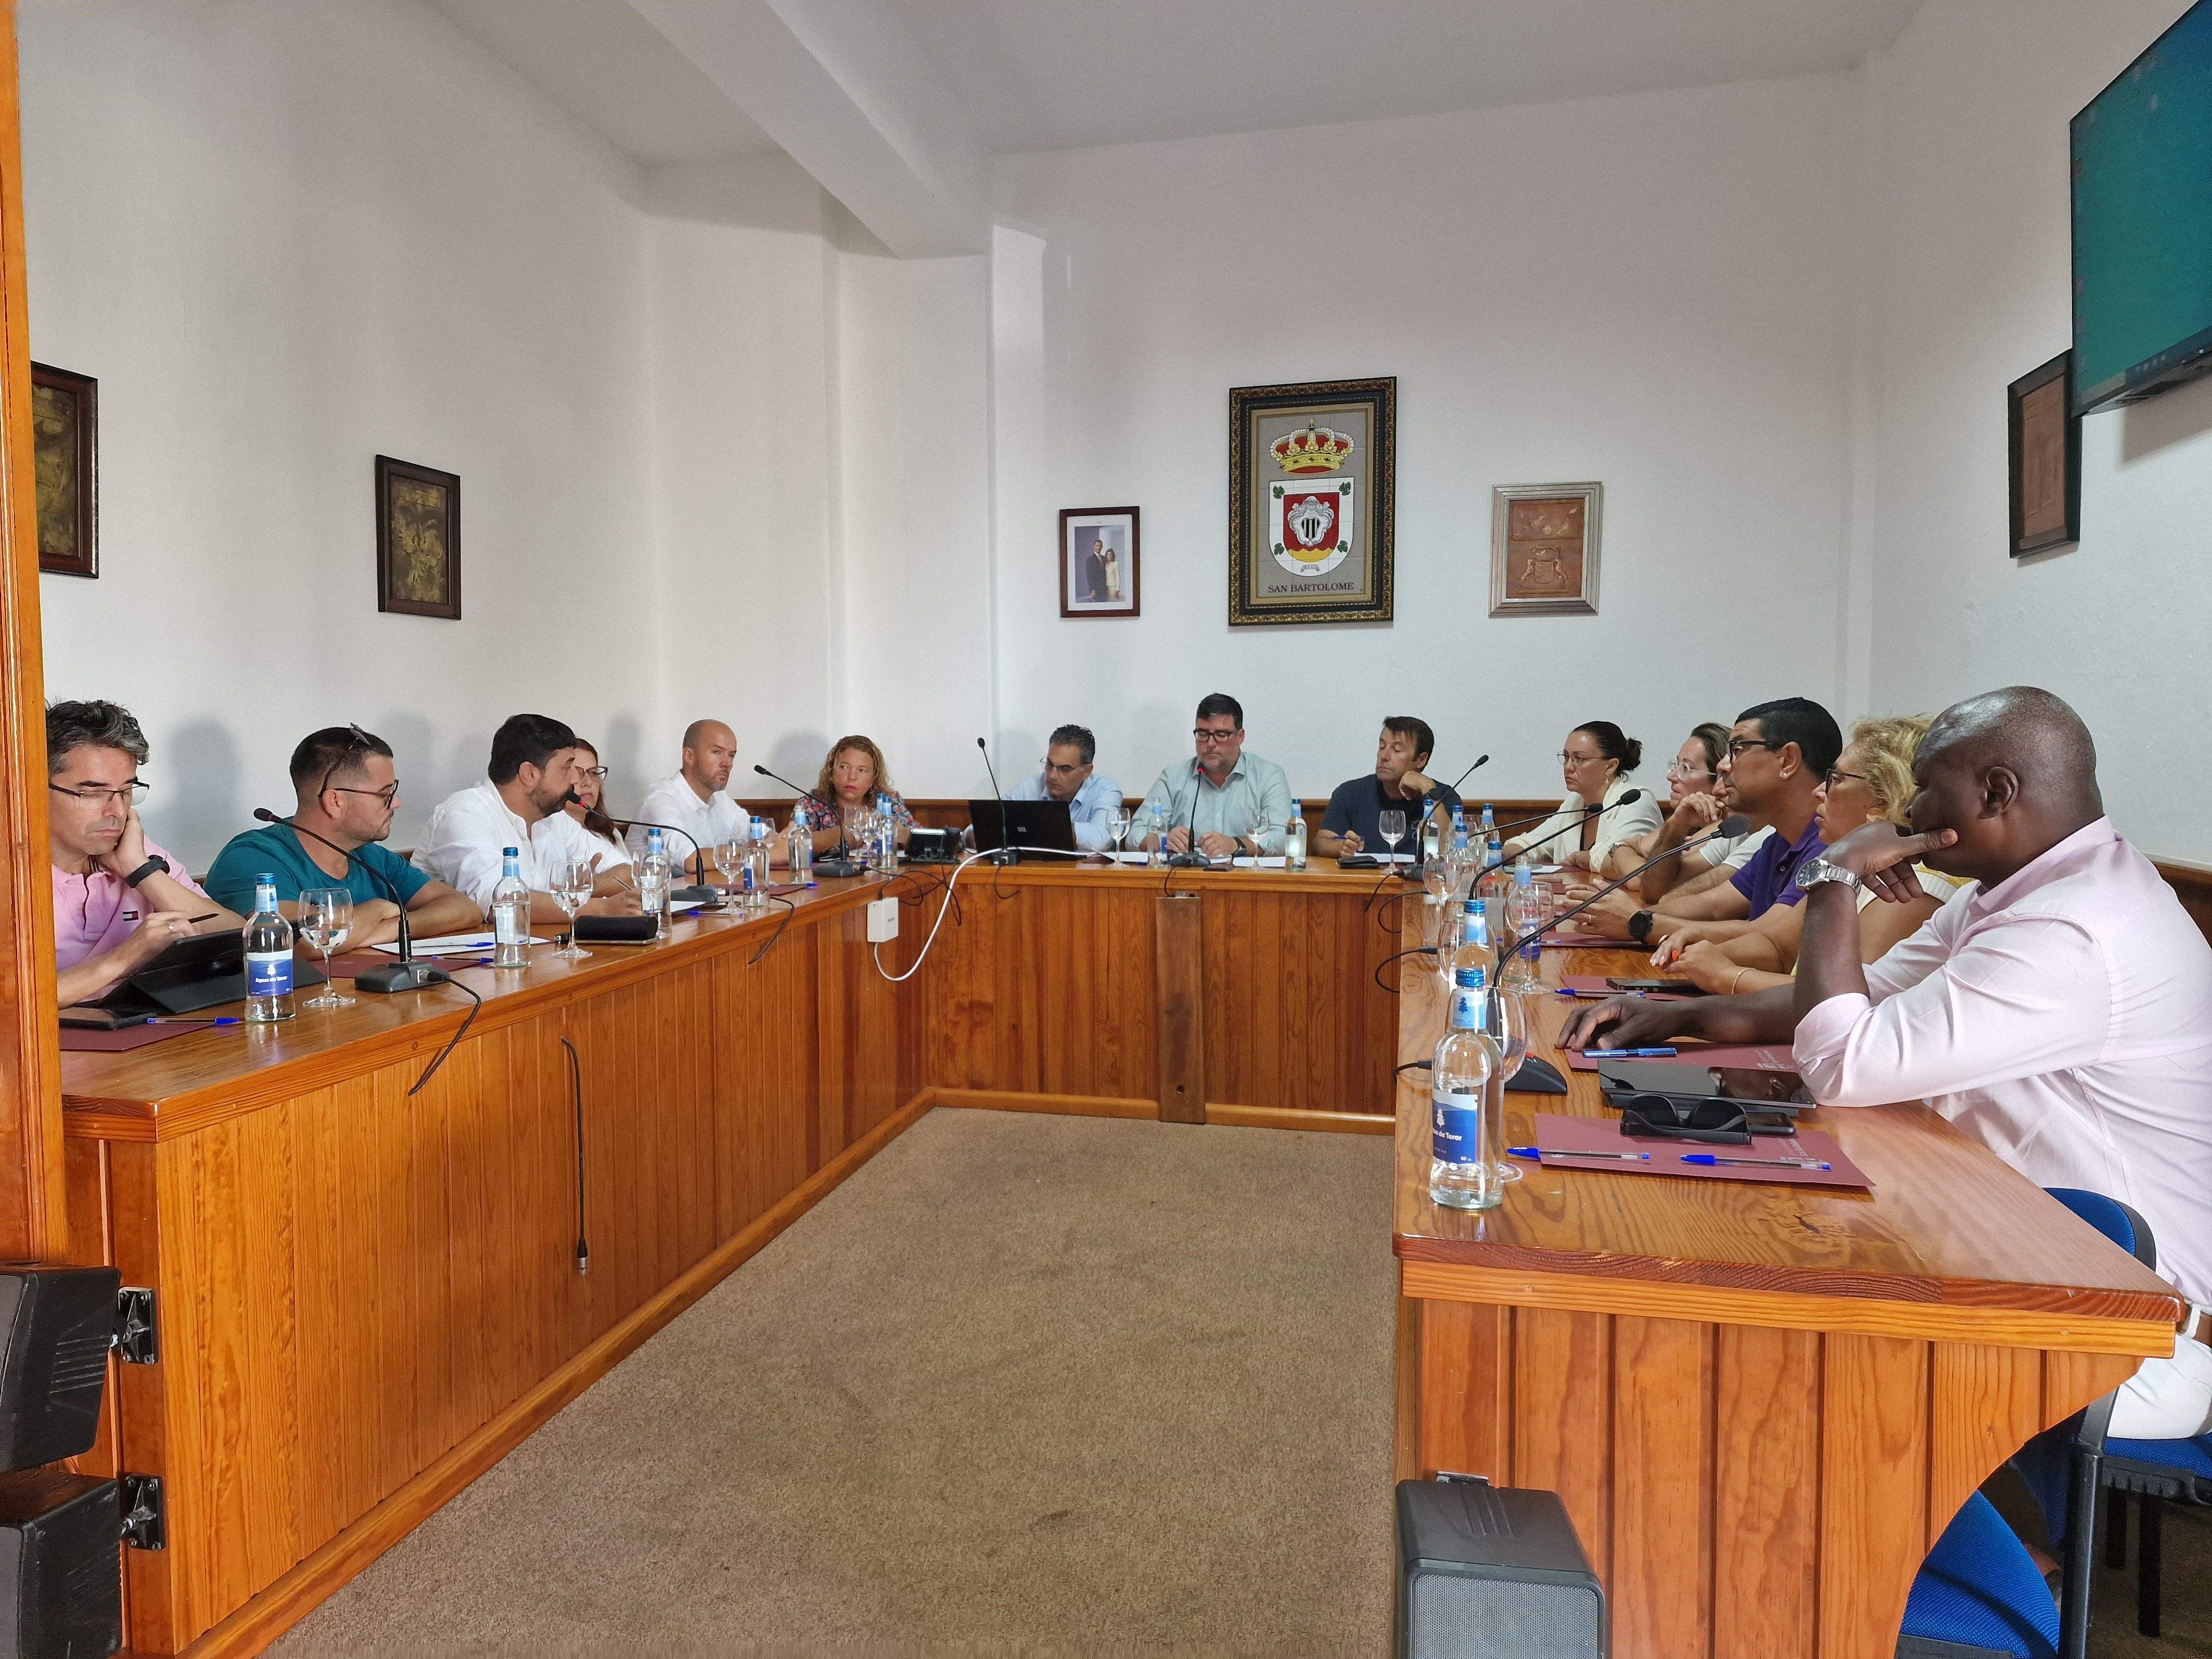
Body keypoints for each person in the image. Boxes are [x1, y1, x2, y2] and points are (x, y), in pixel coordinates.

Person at [1568, 687, 2212, 1438]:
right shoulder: (2023, 892)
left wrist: (1835, 882)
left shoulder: (2077, 929)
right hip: (2034, 1255)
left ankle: (1984, 1552)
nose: (1908, 816)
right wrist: (1676, 1015)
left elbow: (1847, 1059)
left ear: (1998, 792)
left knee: (1780, 1349)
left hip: (2138, 1322)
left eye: (1930, 788)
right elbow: (1856, 997)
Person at [1646, 715, 1955, 994]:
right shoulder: (1846, 868)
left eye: (1836, 779)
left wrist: (1727, 975)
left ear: (1884, 804)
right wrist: (1702, 945)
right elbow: (1776, 946)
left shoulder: (1911, 892)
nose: (1819, 791)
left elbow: (1847, 1001)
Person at [1567, 697, 1841, 950]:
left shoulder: (1828, 847)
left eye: (1738, 748)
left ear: (1788, 760)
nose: (1724, 765)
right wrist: (1616, 910)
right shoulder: (1778, 841)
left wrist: (1638, 923)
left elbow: (1769, 934)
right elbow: (1710, 906)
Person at [205, 726, 480, 948]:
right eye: (385, 794)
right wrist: (375, 909)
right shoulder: (252, 858)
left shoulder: (371, 856)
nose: (396, 804)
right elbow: (301, 941)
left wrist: (386, 930)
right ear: (335, 801)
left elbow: (464, 909)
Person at [48, 700, 243, 1007]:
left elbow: (241, 940)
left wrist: (138, 868)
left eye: (125, 792)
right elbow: (13, 1002)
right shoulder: (11, 873)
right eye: (92, 793)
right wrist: (126, 956)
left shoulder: (135, 852)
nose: (116, 811)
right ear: (30, 787)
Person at [413, 713, 635, 925]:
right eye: (567, 768)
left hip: (538, 948)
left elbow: (626, 871)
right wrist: (602, 908)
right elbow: (501, 903)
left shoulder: (555, 819)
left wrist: (591, 886)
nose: (576, 778)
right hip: (471, 960)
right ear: (529, 774)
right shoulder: (465, 813)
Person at [1594, 722, 1770, 885]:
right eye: (1677, 765)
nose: (1671, 777)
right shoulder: (1686, 821)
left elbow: (1644, 881)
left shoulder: (1727, 830)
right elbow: (1608, 863)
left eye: (1686, 768)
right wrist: (1622, 850)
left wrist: (1623, 852)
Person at [1131, 693, 1294, 860]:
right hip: (1185, 880)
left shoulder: (1268, 777)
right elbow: (1134, 834)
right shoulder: (1173, 777)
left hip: (1248, 881)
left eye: (1221, 735)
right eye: (1202, 734)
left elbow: (1284, 837)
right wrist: (1162, 841)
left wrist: (1236, 845)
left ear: (1240, 736)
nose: (1210, 744)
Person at [1501, 722, 1662, 869]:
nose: (1568, 767)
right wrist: (1501, 855)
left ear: (1611, 766)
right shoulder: (1576, 802)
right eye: (1566, 757)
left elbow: (1614, 858)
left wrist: (1578, 858)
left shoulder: (1635, 800)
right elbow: (1532, 844)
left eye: (1579, 758)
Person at [1312, 717, 1462, 859]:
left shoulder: (1445, 796)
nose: (1384, 756)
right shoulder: (1350, 792)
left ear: (1421, 760)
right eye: (1382, 747)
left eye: (1397, 750)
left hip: (1420, 884)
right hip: (1365, 883)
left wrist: (1428, 788)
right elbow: (1320, 843)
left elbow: (1451, 849)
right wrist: (1342, 847)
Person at [633, 720, 750, 877]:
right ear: (689, 756)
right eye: (716, 752)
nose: (727, 763)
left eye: (732, 755)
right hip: (659, 899)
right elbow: (691, 860)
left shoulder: (721, 799)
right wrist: (758, 852)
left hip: (710, 895)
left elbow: (759, 836)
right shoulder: (660, 799)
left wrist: (785, 840)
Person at [1009, 724, 1125, 853]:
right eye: (1049, 764)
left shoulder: (1105, 790)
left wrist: (1045, 829)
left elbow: (1103, 839)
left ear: (1086, 771)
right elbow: (996, 822)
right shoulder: (1029, 786)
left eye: (1065, 769)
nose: (1052, 776)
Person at [795, 736, 912, 856]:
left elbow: (924, 840)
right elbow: (796, 843)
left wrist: (903, 834)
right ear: (831, 771)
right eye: (844, 767)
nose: (852, 777)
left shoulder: (888, 802)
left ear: (874, 778)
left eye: (862, 770)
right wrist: (847, 830)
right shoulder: (811, 804)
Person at [560, 739, 637, 872]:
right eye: (578, 773)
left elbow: (630, 875)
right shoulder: (551, 832)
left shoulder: (610, 833)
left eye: (593, 773)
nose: (588, 782)